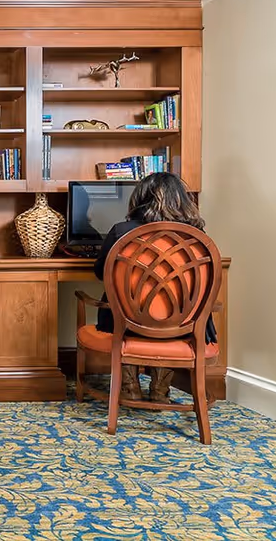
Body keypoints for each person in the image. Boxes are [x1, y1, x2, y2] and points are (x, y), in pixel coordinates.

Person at [93, 172, 216, 403]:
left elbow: (101, 273)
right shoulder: (198, 238)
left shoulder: (122, 231)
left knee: (121, 305)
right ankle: (160, 392)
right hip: (183, 323)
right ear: (182, 200)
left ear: (140, 198)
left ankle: (130, 387)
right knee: (170, 316)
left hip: (128, 320)